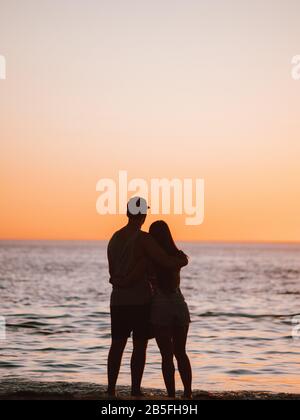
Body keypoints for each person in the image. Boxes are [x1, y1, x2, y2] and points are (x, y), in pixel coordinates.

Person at [107, 197, 187, 397]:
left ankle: (111, 389)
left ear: (127, 213)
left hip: (117, 300)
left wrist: (120, 282)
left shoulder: (114, 238)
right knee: (139, 346)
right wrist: (182, 259)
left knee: (116, 344)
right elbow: (165, 262)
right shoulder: (144, 239)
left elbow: (112, 273)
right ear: (143, 215)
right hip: (139, 300)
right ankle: (135, 389)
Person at [149, 221, 192, 399]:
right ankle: (188, 393)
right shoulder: (177, 256)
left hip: (160, 306)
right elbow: (184, 261)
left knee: (166, 355)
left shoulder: (151, 258)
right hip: (178, 304)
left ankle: (171, 396)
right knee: (181, 352)